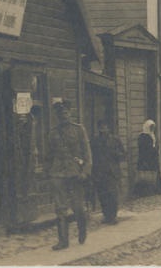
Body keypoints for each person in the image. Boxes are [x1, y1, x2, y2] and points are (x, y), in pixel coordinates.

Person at [46, 100, 92, 250]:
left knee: (78, 207)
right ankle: (63, 241)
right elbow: (49, 155)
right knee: (60, 208)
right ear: (57, 115)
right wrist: (49, 173)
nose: (63, 116)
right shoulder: (52, 133)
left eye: (65, 112)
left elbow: (87, 153)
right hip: (58, 174)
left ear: (70, 113)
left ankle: (82, 228)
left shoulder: (79, 130)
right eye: (60, 114)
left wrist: (85, 171)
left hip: (74, 173)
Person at [90, 119, 125, 225]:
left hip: (112, 172)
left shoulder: (115, 140)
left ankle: (113, 216)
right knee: (103, 195)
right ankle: (106, 215)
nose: (103, 129)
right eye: (101, 127)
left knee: (113, 195)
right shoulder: (94, 141)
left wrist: (116, 154)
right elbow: (91, 156)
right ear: (98, 128)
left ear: (108, 128)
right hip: (100, 172)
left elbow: (123, 154)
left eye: (105, 126)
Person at [136, 119, 160, 196]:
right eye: (151, 127)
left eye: (153, 127)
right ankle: (144, 192)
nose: (152, 129)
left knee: (153, 174)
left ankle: (154, 189)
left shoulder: (152, 135)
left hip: (153, 157)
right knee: (145, 175)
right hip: (145, 158)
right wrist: (153, 149)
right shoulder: (142, 136)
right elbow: (143, 148)